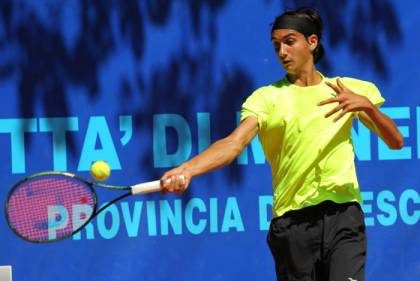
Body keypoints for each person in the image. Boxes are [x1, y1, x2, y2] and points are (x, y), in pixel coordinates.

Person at [160, 7, 403, 281]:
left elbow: (395, 141)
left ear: (312, 42)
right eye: (276, 45)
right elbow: (233, 144)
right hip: (292, 224)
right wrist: (188, 168)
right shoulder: (266, 99)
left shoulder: (346, 89)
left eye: (289, 41)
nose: (282, 52)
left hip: (343, 215)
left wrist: (369, 107)